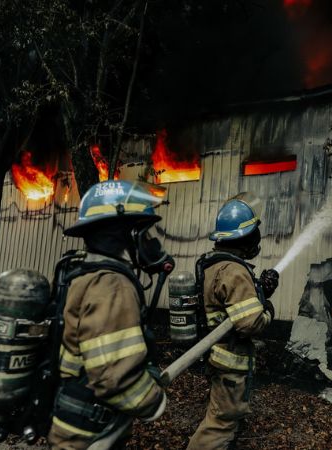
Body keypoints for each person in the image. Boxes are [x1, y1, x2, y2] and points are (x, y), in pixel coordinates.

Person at [48, 180, 170, 450]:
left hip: (74, 424)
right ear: (126, 234)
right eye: (144, 233)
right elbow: (113, 377)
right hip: (90, 434)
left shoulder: (83, 274)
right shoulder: (112, 285)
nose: (149, 242)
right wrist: (154, 401)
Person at [187, 193, 279, 450]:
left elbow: (229, 307)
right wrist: (268, 310)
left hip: (217, 356)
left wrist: (261, 291)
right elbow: (250, 323)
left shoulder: (214, 265)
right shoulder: (234, 271)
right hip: (230, 361)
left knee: (221, 416)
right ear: (244, 238)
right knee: (220, 425)